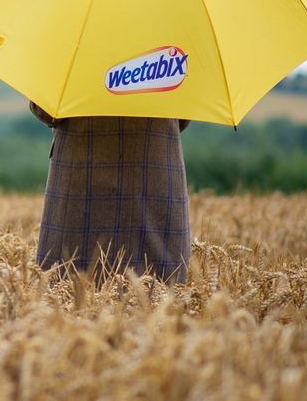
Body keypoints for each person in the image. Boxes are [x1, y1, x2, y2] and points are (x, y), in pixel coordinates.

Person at [30, 102, 191, 283]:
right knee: (161, 289)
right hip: (156, 165)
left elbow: (45, 109)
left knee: (70, 289)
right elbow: (184, 113)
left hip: (80, 172)